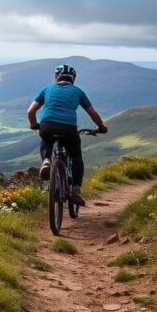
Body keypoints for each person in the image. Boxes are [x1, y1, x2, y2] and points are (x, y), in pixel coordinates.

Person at [26, 64, 107, 206]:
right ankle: (76, 190)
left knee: (46, 140)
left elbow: (30, 112)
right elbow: (92, 113)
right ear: (73, 79)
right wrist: (101, 127)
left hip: (47, 126)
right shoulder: (78, 91)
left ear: (56, 77)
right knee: (76, 156)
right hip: (68, 128)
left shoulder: (47, 89)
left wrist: (34, 124)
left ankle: (46, 161)